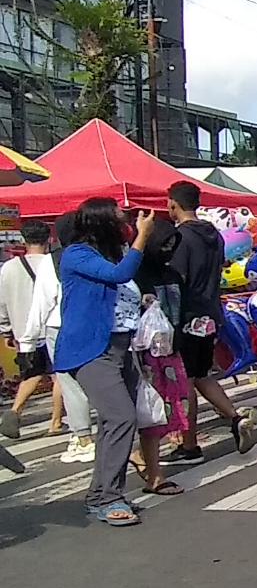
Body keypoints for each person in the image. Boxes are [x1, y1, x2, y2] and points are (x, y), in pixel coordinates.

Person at [55, 199, 155, 526]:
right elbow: (120, 274)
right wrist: (143, 235)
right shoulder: (77, 254)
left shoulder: (108, 253)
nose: (123, 218)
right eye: (117, 214)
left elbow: (121, 285)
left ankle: (100, 494)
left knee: (111, 424)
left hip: (121, 347)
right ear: (100, 221)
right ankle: (111, 496)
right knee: (121, 417)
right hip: (91, 350)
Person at [162, 181, 257, 465]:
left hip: (188, 314)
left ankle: (189, 445)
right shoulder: (214, 235)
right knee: (202, 374)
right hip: (211, 312)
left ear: (173, 204)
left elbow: (177, 279)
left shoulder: (181, 238)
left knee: (186, 381)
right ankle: (235, 418)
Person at [19, 212, 96, 464]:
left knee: (70, 383)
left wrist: (28, 341)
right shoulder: (99, 255)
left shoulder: (54, 262)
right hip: (96, 325)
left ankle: (83, 437)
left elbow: (41, 304)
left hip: (59, 327)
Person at [130, 219, 190, 496]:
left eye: (171, 244)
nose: (167, 249)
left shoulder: (173, 274)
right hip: (144, 355)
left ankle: (148, 460)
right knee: (150, 412)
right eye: (163, 243)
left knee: (169, 408)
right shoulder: (135, 275)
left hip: (170, 353)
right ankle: (152, 469)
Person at [0, 220, 63, 440]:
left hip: (23, 332)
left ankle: (15, 410)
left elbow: (2, 302)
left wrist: (7, 330)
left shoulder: (8, 267)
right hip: (52, 328)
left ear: (24, 240)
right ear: (49, 239)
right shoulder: (54, 263)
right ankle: (56, 421)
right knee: (59, 376)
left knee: (32, 373)